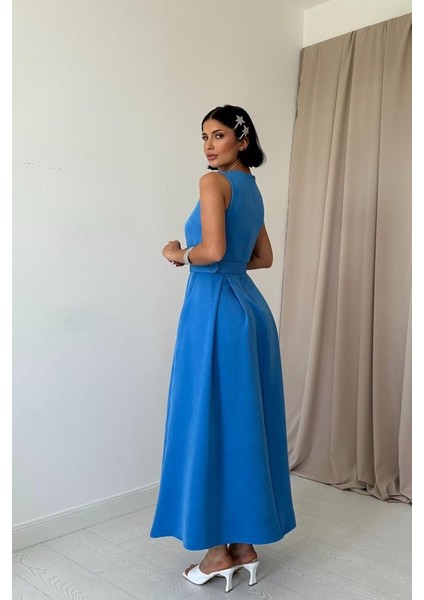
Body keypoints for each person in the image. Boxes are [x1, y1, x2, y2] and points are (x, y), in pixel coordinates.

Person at [150, 104, 296, 592]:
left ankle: (216, 553)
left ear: (241, 140)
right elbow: (263, 257)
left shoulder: (213, 184)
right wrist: (225, 263)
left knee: (206, 420)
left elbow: (211, 251)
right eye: (204, 137)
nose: (209, 145)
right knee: (242, 421)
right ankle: (245, 546)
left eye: (218, 135)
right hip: (249, 311)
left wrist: (178, 253)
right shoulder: (252, 188)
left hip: (211, 311)